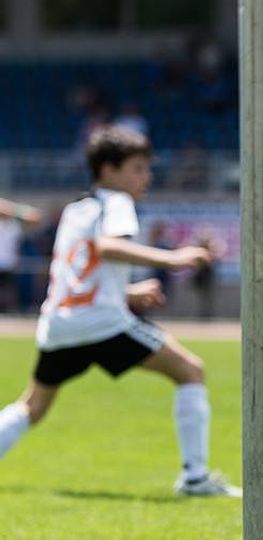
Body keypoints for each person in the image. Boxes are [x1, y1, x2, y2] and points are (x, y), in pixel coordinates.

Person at [0, 125, 240, 497]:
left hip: (61, 324)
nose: (147, 177)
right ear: (108, 170)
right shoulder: (117, 202)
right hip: (101, 323)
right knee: (190, 371)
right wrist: (173, 258)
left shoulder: (76, 210)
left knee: (32, 406)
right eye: (138, 168)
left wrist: (125, 291)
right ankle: (195, 478)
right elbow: (108, 247)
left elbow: (77, 271)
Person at [0, 199, 42, 312]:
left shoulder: (14, 225)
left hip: (9, 263)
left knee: (9, 290)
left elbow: (35, 215)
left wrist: (12, 209)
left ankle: (10, 311)